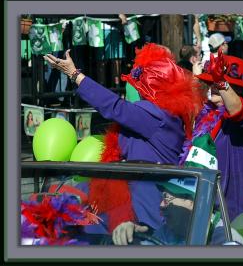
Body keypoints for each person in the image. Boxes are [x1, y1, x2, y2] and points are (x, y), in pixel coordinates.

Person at [44, 43, 205, 245]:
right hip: (119, 210)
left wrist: (75, 74)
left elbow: (114, 107)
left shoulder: (158, 117)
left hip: (145, 219)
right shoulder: (164, 116)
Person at [182, 49, 243, 222]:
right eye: (212, 83)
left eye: (219, 84)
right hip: (208, 211)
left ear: (239, 90)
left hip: (239, 216)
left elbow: (238, 111)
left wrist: (221, 82)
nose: (214, 87)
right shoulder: (206, 114)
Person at [135, 177, 243, 246]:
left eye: (167, 199)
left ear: (192, 202)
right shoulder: (166, 232)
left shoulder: (224, 238)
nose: (161, 205)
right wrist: (130, 237)